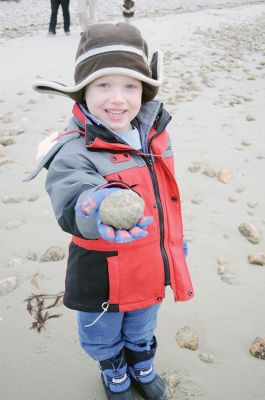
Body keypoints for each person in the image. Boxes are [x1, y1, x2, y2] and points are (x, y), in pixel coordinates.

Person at [26, 23, 194, 400]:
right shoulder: (72, 149)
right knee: (101, 333)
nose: (117, 98)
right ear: (83, 91)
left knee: (142, 326)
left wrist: (173, 243)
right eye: (103, 85)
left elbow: (163, 195)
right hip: (103, 275)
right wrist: (99, 205)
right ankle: (113, 370)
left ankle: (141, 363)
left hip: (151, 264)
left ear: (143, 92)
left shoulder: (153, 133)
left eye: (130, 86)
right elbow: (74, 198)